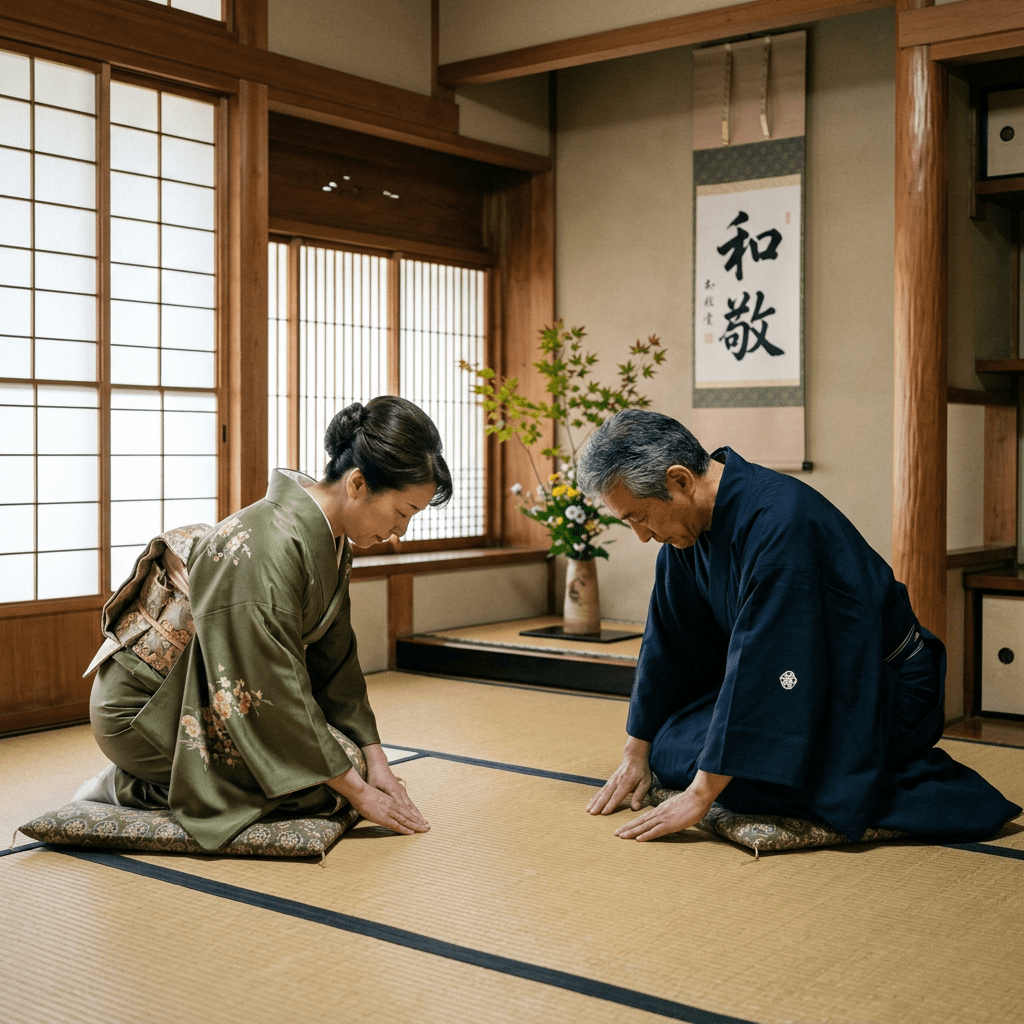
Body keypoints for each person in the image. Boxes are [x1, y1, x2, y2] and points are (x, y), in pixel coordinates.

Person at [579, 409, 1021, 843]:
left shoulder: (780, 523)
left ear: (679, 481)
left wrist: (699, 796)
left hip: (879, 686)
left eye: (639, 517)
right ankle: (815, 771)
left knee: (746, 774)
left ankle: (902, 781)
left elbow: (768, 658)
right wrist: (635, 753)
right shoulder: (686, 531)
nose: (641, 535)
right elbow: (668, 645)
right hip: (809, 680)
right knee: (670, 744)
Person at [78, 396, 452, 851]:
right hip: (145, 709)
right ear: (357, 483)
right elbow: (268, 683)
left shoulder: (334, 540)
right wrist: (359, 792)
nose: (401, 532)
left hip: (213, 691)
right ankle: (132, 786)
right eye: (402, 513)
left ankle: (200, 779)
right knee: (314, 789)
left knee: (346, 761)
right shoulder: (267, 545)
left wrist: (378, 763)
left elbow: (337, 663)